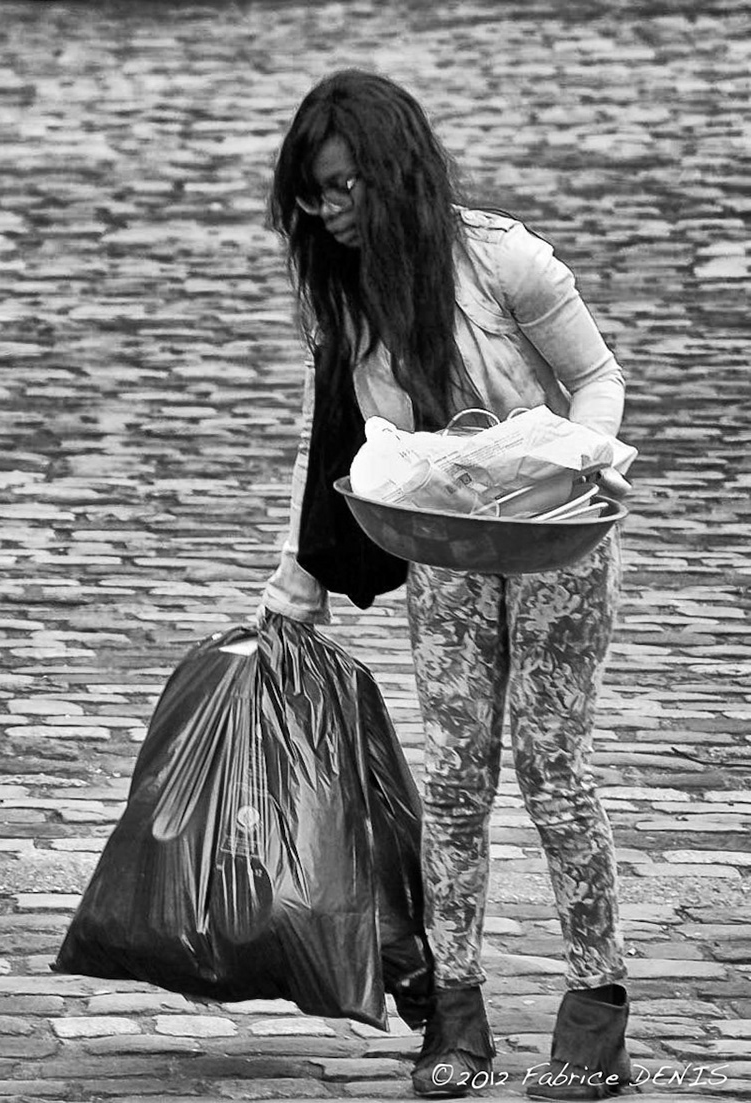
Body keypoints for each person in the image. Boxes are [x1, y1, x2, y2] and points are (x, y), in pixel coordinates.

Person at [257, 70, 633, 1101]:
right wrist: (298, 571)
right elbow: (325, 433)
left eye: (345, 187)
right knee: (458, 784)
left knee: (556, 773)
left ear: (394, 171)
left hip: (558, 546)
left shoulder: (507, 261)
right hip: (449, 552)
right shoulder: (342, 298)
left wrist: (583, 456)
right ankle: (456, 1023)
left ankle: (596, 1014)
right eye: (313, 194)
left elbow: (597, 374)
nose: (329, 211)